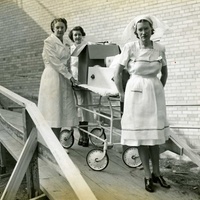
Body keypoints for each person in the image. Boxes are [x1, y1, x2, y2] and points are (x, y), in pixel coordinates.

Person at [114, 15, 171, 192]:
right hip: (135, 94)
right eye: (140, 29)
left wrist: (157, 89)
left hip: (154, 94)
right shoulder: (130, 47)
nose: (143, 32)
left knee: (154, 137)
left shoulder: (160, 48)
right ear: (136, 32)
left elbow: (165, 72)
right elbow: (117, 73)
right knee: (141, 137)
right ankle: (147, 175)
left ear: (151, 30)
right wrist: (122, 94)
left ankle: (157, 173)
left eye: (146, 28)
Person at [38, 18, 78, 140]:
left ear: (66, 28)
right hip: (52, 78)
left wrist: (72, 75)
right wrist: (69, 76)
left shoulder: (66, 42)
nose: (60, 29)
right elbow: (55, 62)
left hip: (63, 77)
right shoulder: (48, 42)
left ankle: (57, 144)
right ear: (53, 29)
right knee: (53, 111)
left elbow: (69, 60)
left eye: (62, 27)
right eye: (57, 27)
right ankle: (52, 145)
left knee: (61, 112)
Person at [68, 26, 94, 147]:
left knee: (85, 110)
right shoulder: (70, 49)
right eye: (75, 35)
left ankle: (85, 136)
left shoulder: (86, 47)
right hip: (74, 81)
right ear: (72, 37)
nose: (77, 37)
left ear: (82, 35)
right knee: (78, 110)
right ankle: (81, 135)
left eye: (79, 34)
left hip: (84, 80)